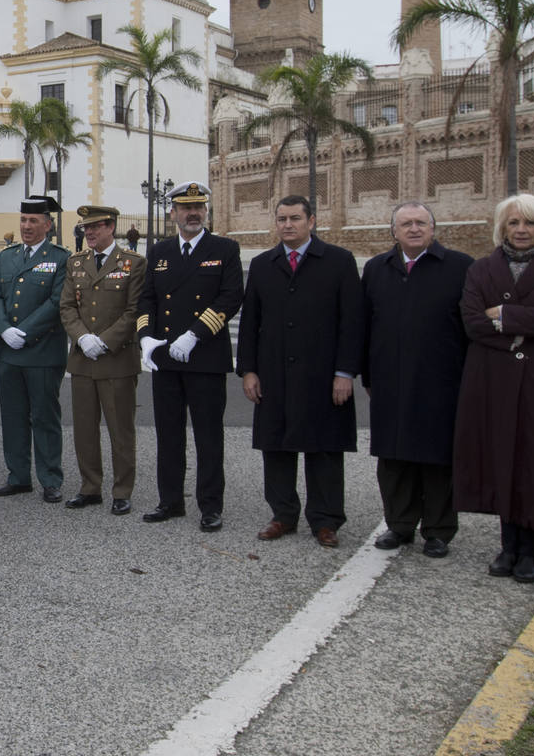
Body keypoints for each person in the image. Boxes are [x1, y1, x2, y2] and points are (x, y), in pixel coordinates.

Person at [454, 193, 534, 584]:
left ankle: (531, 551)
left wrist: (504, 315)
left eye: (530, 223)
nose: (522, 230)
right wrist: (525, 325)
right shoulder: (481, 269)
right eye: (514, 223)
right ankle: (508, 546)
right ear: (502, 227)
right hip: (494, 376)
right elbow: (473, 321)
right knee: (501, 455)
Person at [236, 195, 364, 548]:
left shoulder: (338, 261)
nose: (287, 225)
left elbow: (352, 322)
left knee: (323, 448)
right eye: (281, 219)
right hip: (274, 372)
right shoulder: (264, 265)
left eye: (295, 218)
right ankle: (283, 515)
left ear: (312, 221)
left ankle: (325, 520)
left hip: (322, 374)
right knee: (276, 447)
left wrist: (345, 373)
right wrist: (248, 370)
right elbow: (250, 323)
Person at [360, 202, 473, 558]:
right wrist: (366, 371)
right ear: (393, 231)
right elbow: (364, 325)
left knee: (437, 458)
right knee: (393, 457)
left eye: (420, 223)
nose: (413, 229)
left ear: (433, 229)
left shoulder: (460, 267)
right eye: (405, 224)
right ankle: (399, 524)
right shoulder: (378, 269)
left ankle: (438, 530)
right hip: (389, 380)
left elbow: (470, 327)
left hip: (441, 379)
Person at [135, 181, 244, 532]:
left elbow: (230, 297)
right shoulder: (160, 252)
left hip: (205, 357)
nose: (192, 213)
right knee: (169, 433)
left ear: (206, 212)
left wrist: (195, 334)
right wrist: (146, 338)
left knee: (208, 435)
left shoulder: (224, 249)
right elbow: (146, 298)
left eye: (198, 207)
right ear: (173, 214)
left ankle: (210, 506)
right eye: (185, 207)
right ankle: (170, 501)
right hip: (166, 358)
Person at [60, 205, 147, 515]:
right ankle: (90, 487)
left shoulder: (133, 263)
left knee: (120, 429)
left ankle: (122, 490)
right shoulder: (76, 263)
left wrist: (106, 341)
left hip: (117, 359)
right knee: (84, 429)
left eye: (96, 226)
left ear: (112, 227)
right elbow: (67, 307)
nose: (90, 232)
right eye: (86, 228)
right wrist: (82, 337)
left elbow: (134, 310)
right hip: (83, 358)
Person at [0, 195, 71, 502]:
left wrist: (24, 331)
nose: (26, 226)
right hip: (10, 352)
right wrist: (4, 330)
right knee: (12, 415)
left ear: (47, 225)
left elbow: (57, 301)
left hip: (43, 352)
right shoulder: (8, 256)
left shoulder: (61, 257)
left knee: (45, 417)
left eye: (33, 221)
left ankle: (50, 479)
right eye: (23, 220)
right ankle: (18, 476)